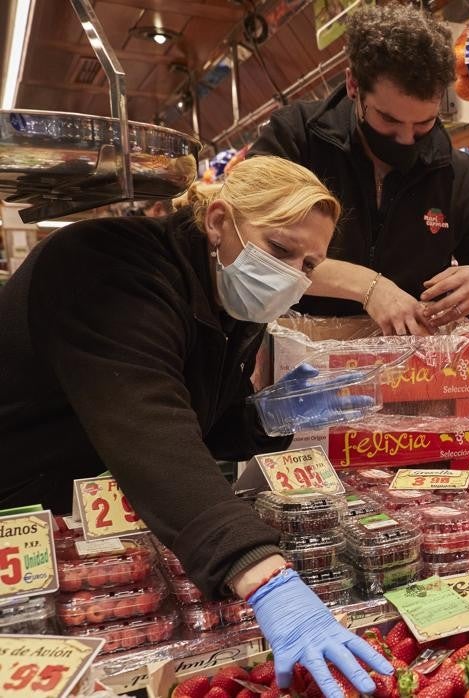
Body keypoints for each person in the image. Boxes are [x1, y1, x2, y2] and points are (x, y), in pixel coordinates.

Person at [0, 157, 390, 698]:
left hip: (109, 525)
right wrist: (263, 575)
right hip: (21, 514)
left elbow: (203, 422)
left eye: (308, 263)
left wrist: (266, 416)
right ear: (218, 222)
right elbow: (151, 429)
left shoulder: (229, 297)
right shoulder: (106, 267)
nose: (292, 277)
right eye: (280, 249)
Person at [250, 4, 469, 336]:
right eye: (389, 120)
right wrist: (369, 286)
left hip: (409, 376)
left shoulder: (459, 175)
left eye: (424, 123)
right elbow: (249, 248)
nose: (406, 138)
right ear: (354, 85)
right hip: (293, 361)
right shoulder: (297, 137)